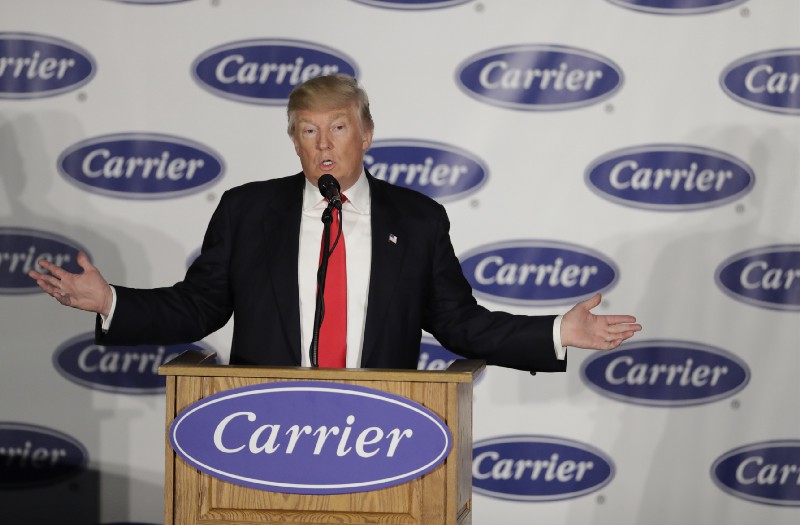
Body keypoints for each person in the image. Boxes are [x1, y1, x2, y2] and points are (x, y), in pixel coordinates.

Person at [29, 74, 641, 372]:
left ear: (366, 134)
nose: (324, 144)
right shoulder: (247, 210)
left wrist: (556, 332)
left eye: (338, 128)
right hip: (263, 434)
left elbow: (459, 323)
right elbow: (199, 307)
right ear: (293, 141)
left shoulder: (418, 220)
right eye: (308, 131)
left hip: (376, 439)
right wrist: (111, 300)